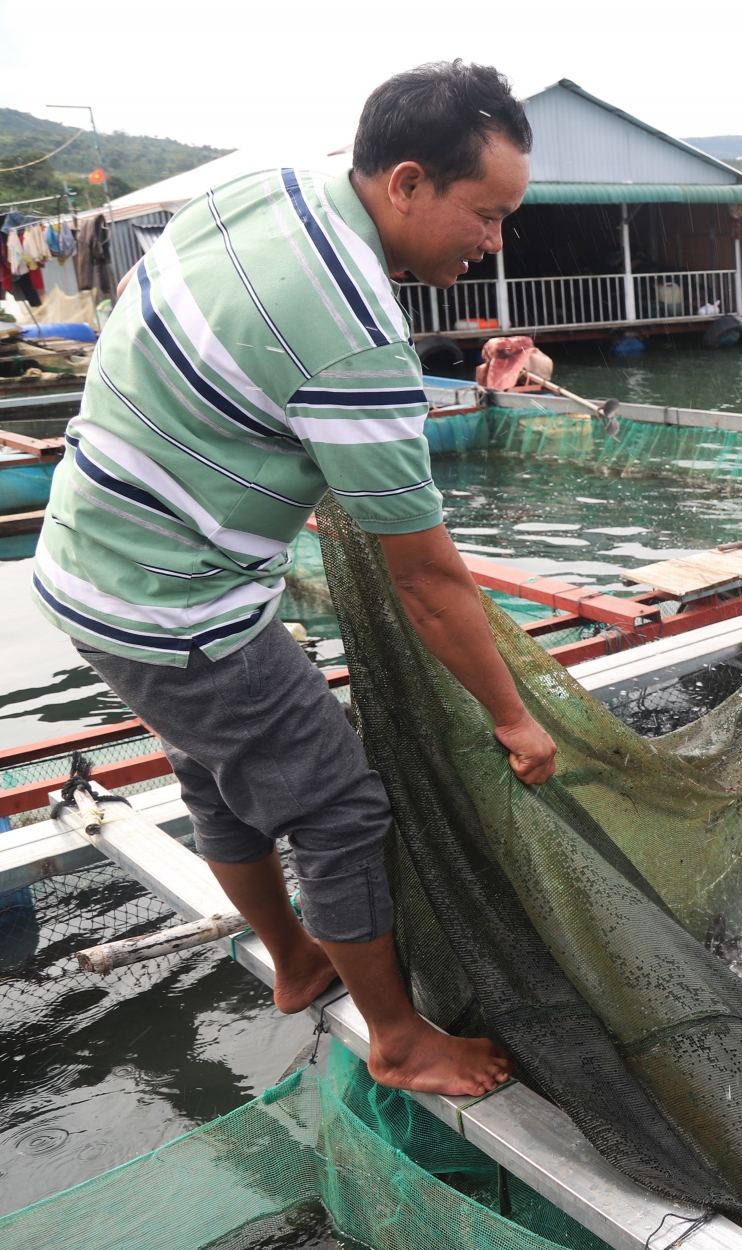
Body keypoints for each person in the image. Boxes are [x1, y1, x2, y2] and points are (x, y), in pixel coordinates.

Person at [32, 61, 554, 1098]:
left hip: (85, 565)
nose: (495, 241)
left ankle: (298, 959)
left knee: (213, 766)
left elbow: (183, 320)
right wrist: (514, 716)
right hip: (181, 606)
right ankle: (400, 1035)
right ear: (407, 182)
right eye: (486, 215)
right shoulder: (359, 336)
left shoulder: (261, 193)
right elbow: (429, 582)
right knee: (340, 807)